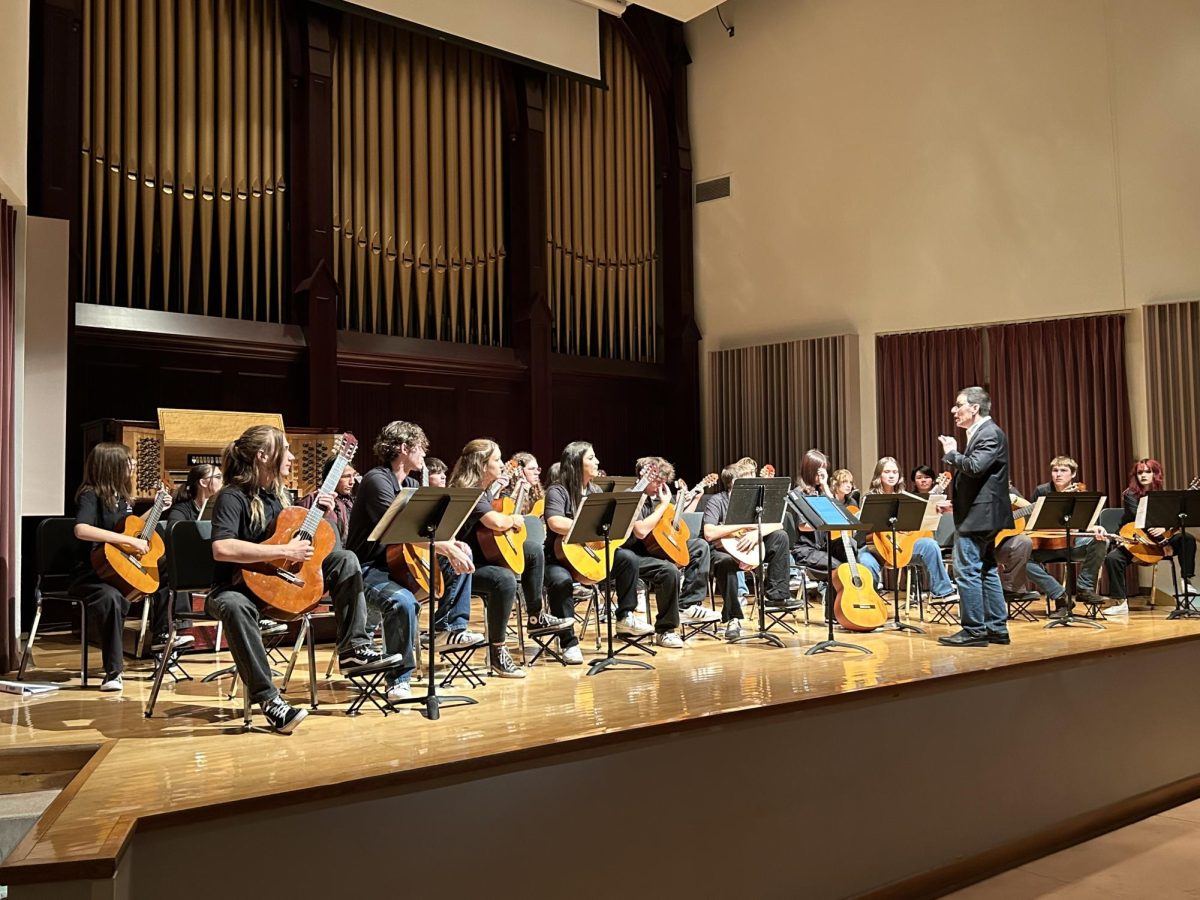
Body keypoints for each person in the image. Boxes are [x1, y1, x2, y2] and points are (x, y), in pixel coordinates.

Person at [207, 425, 385, 733]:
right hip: (234, 589)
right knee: (235, 606)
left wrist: (320, 517)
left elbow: (300, 547)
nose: (291, 456)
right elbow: (222, 548)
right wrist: (284, 548)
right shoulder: (231, 497)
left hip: (277, 583)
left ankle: (353, 648)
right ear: (263, 456)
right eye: (285, 449)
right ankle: (270, 701)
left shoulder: (277, 497)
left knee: (344, 560)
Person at [345, 421, 483, 701]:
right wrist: (445, 547)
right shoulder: (377, 480)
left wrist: (451, 543)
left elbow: (424, 530)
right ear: (404, 448)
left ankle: (448, 628)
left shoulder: (408, 482)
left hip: (401, 563)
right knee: (405, 601)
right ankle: (398, 680)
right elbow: (400, 530)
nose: (424, 454)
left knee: (463, 552)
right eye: (420, 448)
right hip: (369, 569)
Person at [449, 439, 571, 677]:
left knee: (533, 550)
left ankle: (535, 615)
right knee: (504, 579)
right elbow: (495, 522)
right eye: (496, 460)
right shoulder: (468, 490)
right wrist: (514, 520)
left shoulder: (483, 491)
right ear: (482, 465)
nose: (502, 465)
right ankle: (497, 652)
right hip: (461, 566)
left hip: (482, 556)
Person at [542, 441, 653, 664]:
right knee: (560, 581)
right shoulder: (558, 490)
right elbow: (554, 522)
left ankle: (625, 616)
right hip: (560, 559)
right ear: (575, 463)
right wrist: (586, 526)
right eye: (591, 458)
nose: (597, 462)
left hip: (591, 555)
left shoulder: (595, 491)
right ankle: (568, 643)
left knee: (627, 559)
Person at [69, 443, 154, 692]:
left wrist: (156, 509)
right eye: (129, 461)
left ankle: (163, 641)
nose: (134, 465)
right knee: (112, 598)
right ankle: (114, 672)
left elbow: (131, 528)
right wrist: (128, 541)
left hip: (115, 570)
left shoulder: (122, 498)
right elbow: (81, 529)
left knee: (162, 574)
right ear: (112, 465)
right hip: (90, 574)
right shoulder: (90, 494)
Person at [937, 386, 1014, 647]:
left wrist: (951, 453)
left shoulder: (989, 433)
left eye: (959, 405)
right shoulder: (982, 433)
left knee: (967, 570)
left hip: (979, 516)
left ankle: (974, 630)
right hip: (980, 514)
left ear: (974, 408)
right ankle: (996, 628)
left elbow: (974, 467)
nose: (953, 410)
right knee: (987, 569)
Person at [622, 456, 721, 648]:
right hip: (635, 554)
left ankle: (688, 604)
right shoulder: (631, 495)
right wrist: (664, 505)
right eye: (657, 481)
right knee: (669, 570)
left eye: (663, 482)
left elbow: (673, 526)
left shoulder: (660, 497)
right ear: (644, 476)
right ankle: (665, 630)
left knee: (699, 546)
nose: (660, 486)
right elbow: (641, 531)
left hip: (658, 548)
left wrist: (683, 502)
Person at [702, 457, 793, 641]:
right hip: (723, 552)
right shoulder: (717, 501)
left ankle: (776, 596)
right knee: (725, 562)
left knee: (780, 537)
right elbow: (709, 533)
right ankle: (733, 618)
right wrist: (740, 529)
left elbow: (778, 525)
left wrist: (757, 533)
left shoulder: (755, 503)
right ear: (733, 483)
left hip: (751, 548)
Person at [856, 457, 959, 604]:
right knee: (866, 563)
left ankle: (942, 591)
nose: (891, 475)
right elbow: (863, 527)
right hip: (876, 549)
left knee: (930, 545)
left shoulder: (906, 497)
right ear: (879, 475)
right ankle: (869, 603)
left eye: (895, 472)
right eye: (887, 472)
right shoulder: (870, 498)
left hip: (901, 548)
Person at [1102, 459, 1196, 616]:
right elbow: (1142, 520)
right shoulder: (1130, 495)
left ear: (1156, 474)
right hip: (1136, 539)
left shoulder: (1163, 495)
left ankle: (1186, 582)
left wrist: (1164, 529)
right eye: (1140, 472)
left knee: (1187, 539)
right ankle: (1120, 602)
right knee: (1113, 558)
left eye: (1147, 471)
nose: (1143, 475)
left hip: (1158, 539)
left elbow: (1174, 519)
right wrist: (1165, 543)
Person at [1023, 455, 1109, 618]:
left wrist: (1096, 527)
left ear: (1073, 474)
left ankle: (1084, 588)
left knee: (1101, 541)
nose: (1058, 474)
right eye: (1055, 470)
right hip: (1046, 546)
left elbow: (1087, 522)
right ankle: (1060, 597)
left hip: (1073, 544)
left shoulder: (1081, 493)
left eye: (1063, 470)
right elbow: (1030, 519)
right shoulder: (1042, 491)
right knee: (1021, 558)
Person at [298, 456, 357, 546]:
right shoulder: (312, 499)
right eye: (346, 476)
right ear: (332, 477)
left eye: (354, 476)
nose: (352, 481)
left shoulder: (350, 502)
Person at [508, 451, 546, 516]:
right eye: (531, 469)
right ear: (520, 472)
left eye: (537, 469)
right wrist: (516, 493)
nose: (537, 473)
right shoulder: (507, 494)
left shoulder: (538, 494)